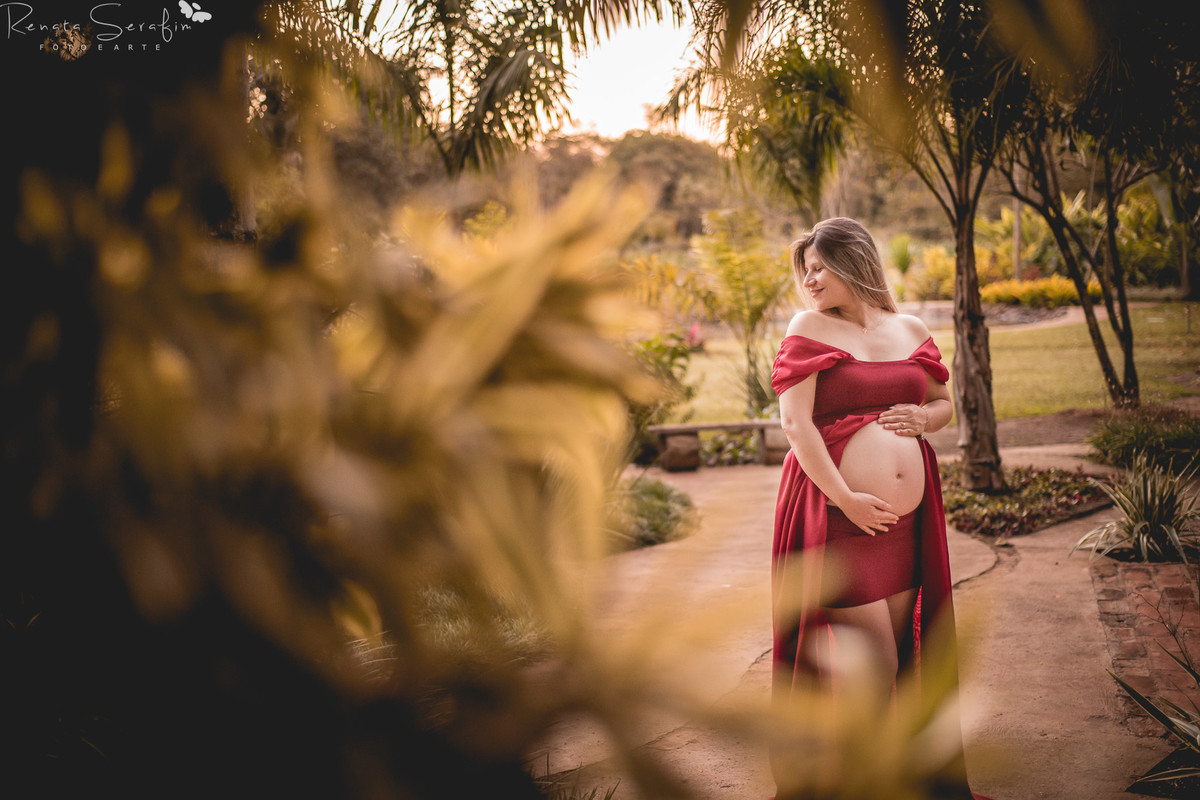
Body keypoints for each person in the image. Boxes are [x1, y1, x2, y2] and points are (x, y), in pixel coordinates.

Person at [769, 217, 982, 798]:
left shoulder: (907, 327)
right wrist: (845, 498)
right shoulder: (809, 325)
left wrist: (922, 419)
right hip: (839, 517)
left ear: (854, 262)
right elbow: (795, 422)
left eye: (820, 267)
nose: (810, 279)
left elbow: (942, 406)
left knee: (902, 663)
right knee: (876, 669)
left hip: (904, 527)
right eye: (806, 269)